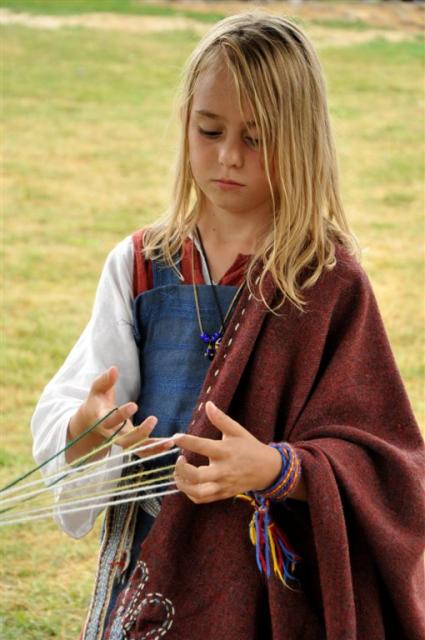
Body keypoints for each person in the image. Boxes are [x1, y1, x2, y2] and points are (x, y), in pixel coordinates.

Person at [31, 10, 425, 640]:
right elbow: (75, 408)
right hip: (149, 567)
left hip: (268, 591)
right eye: (209, 129)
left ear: (301, 140)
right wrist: (86, 428)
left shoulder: (325, 280)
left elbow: (388, 464)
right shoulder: (139, 265)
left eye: (256, 137)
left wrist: (275, 468)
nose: (227, 156)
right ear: (185, 122)